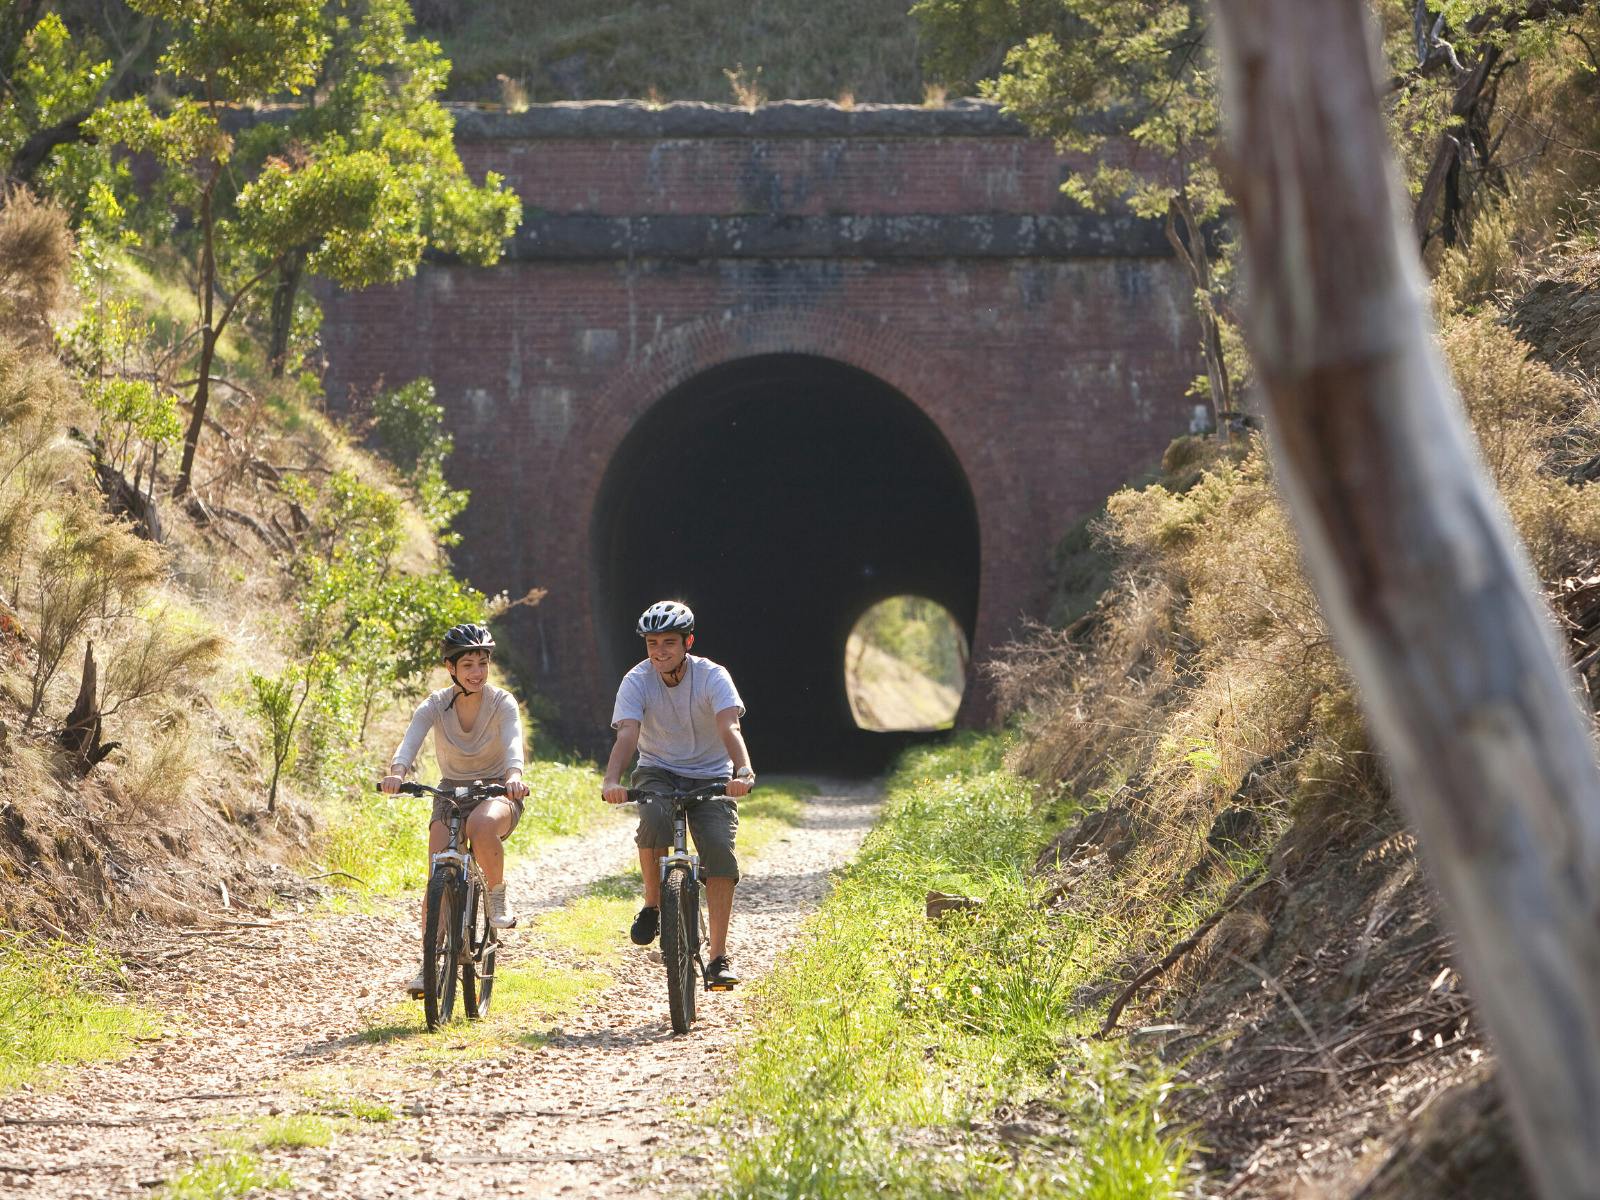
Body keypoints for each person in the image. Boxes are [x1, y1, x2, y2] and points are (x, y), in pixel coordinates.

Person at [601, 600, 754, 988]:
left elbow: (729, 727)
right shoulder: (636, 680)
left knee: (719, 850)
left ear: (688, 641)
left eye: (668, 642)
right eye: (652, 643)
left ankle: (718, 956)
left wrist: (743, 769)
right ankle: (653, 905)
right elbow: (628, 734)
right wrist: (612, 780)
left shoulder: (712, 677)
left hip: (711, 774)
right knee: (653, 820)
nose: (659, 651)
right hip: (659, 770)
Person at [380, 622, 529, 997]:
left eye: (482, 663)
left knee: (481, 827)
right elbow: (410, 740)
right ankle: (429, 961)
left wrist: (514, 775)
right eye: (468, 666)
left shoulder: (502, 702)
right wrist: (397, 773)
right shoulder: (435, 704)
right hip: (449, 791)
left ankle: (496, 893)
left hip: (497, 788)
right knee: (437, 871)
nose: (477, 673)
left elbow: (513, 744)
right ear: (451, 668)